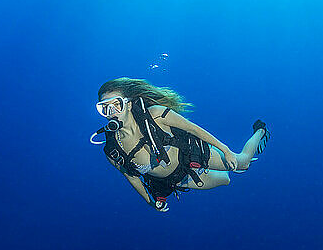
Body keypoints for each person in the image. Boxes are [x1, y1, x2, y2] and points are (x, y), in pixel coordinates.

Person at [90, 78, 270, 212]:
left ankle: (260, 131)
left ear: (128, 104)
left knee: (242, 163)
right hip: (177, 179)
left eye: (116, 105)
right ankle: (212, 169)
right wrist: (150, 202)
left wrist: (226, 150)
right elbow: (131, 177)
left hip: (192, 154)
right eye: (105, 108)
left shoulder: (156, 115)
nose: (111, 112)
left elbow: (193, 129)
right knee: (226, 180)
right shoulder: (112, 150)